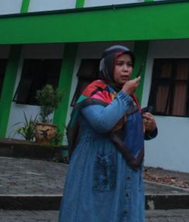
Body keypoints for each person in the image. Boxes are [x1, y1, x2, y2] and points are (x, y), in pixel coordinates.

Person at [59, 45, 158, 222]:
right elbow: (103, 123)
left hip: (125, 169)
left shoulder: (126, 96)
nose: (126, 69)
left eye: (129, 64)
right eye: (120, 64)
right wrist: (126, 94)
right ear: (107, 65)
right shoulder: (95, 92)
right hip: (96, 163)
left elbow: (127, 131)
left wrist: (150, 128)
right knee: (94, 211)